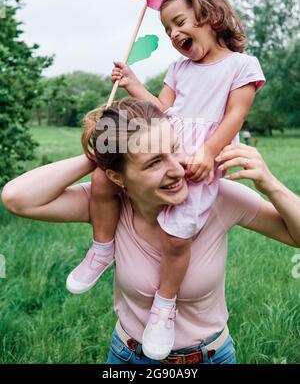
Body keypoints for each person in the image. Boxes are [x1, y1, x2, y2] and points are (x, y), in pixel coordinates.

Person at [2, 98, 300, 365]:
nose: (177, 169)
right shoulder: (109, 205)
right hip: (129, 356)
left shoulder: (216, 199)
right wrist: (100, 152)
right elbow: (17, 198)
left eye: (173, 149)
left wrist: (271, 185)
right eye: (154, 162)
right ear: (117, 178)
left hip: (210, 358)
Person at [77, 0, 266, 358]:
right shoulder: (179, 68)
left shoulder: (242, 66)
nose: (174, 34)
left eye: (179, 22)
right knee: (101, 177)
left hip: (198, 164)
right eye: (167, 30)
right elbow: (161, 111)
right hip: (166, 148)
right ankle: (101, 250)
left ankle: (164, 306)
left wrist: (209, 153)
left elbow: (235, 115)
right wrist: (133, 83)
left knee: (177, 236)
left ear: (210, 16)